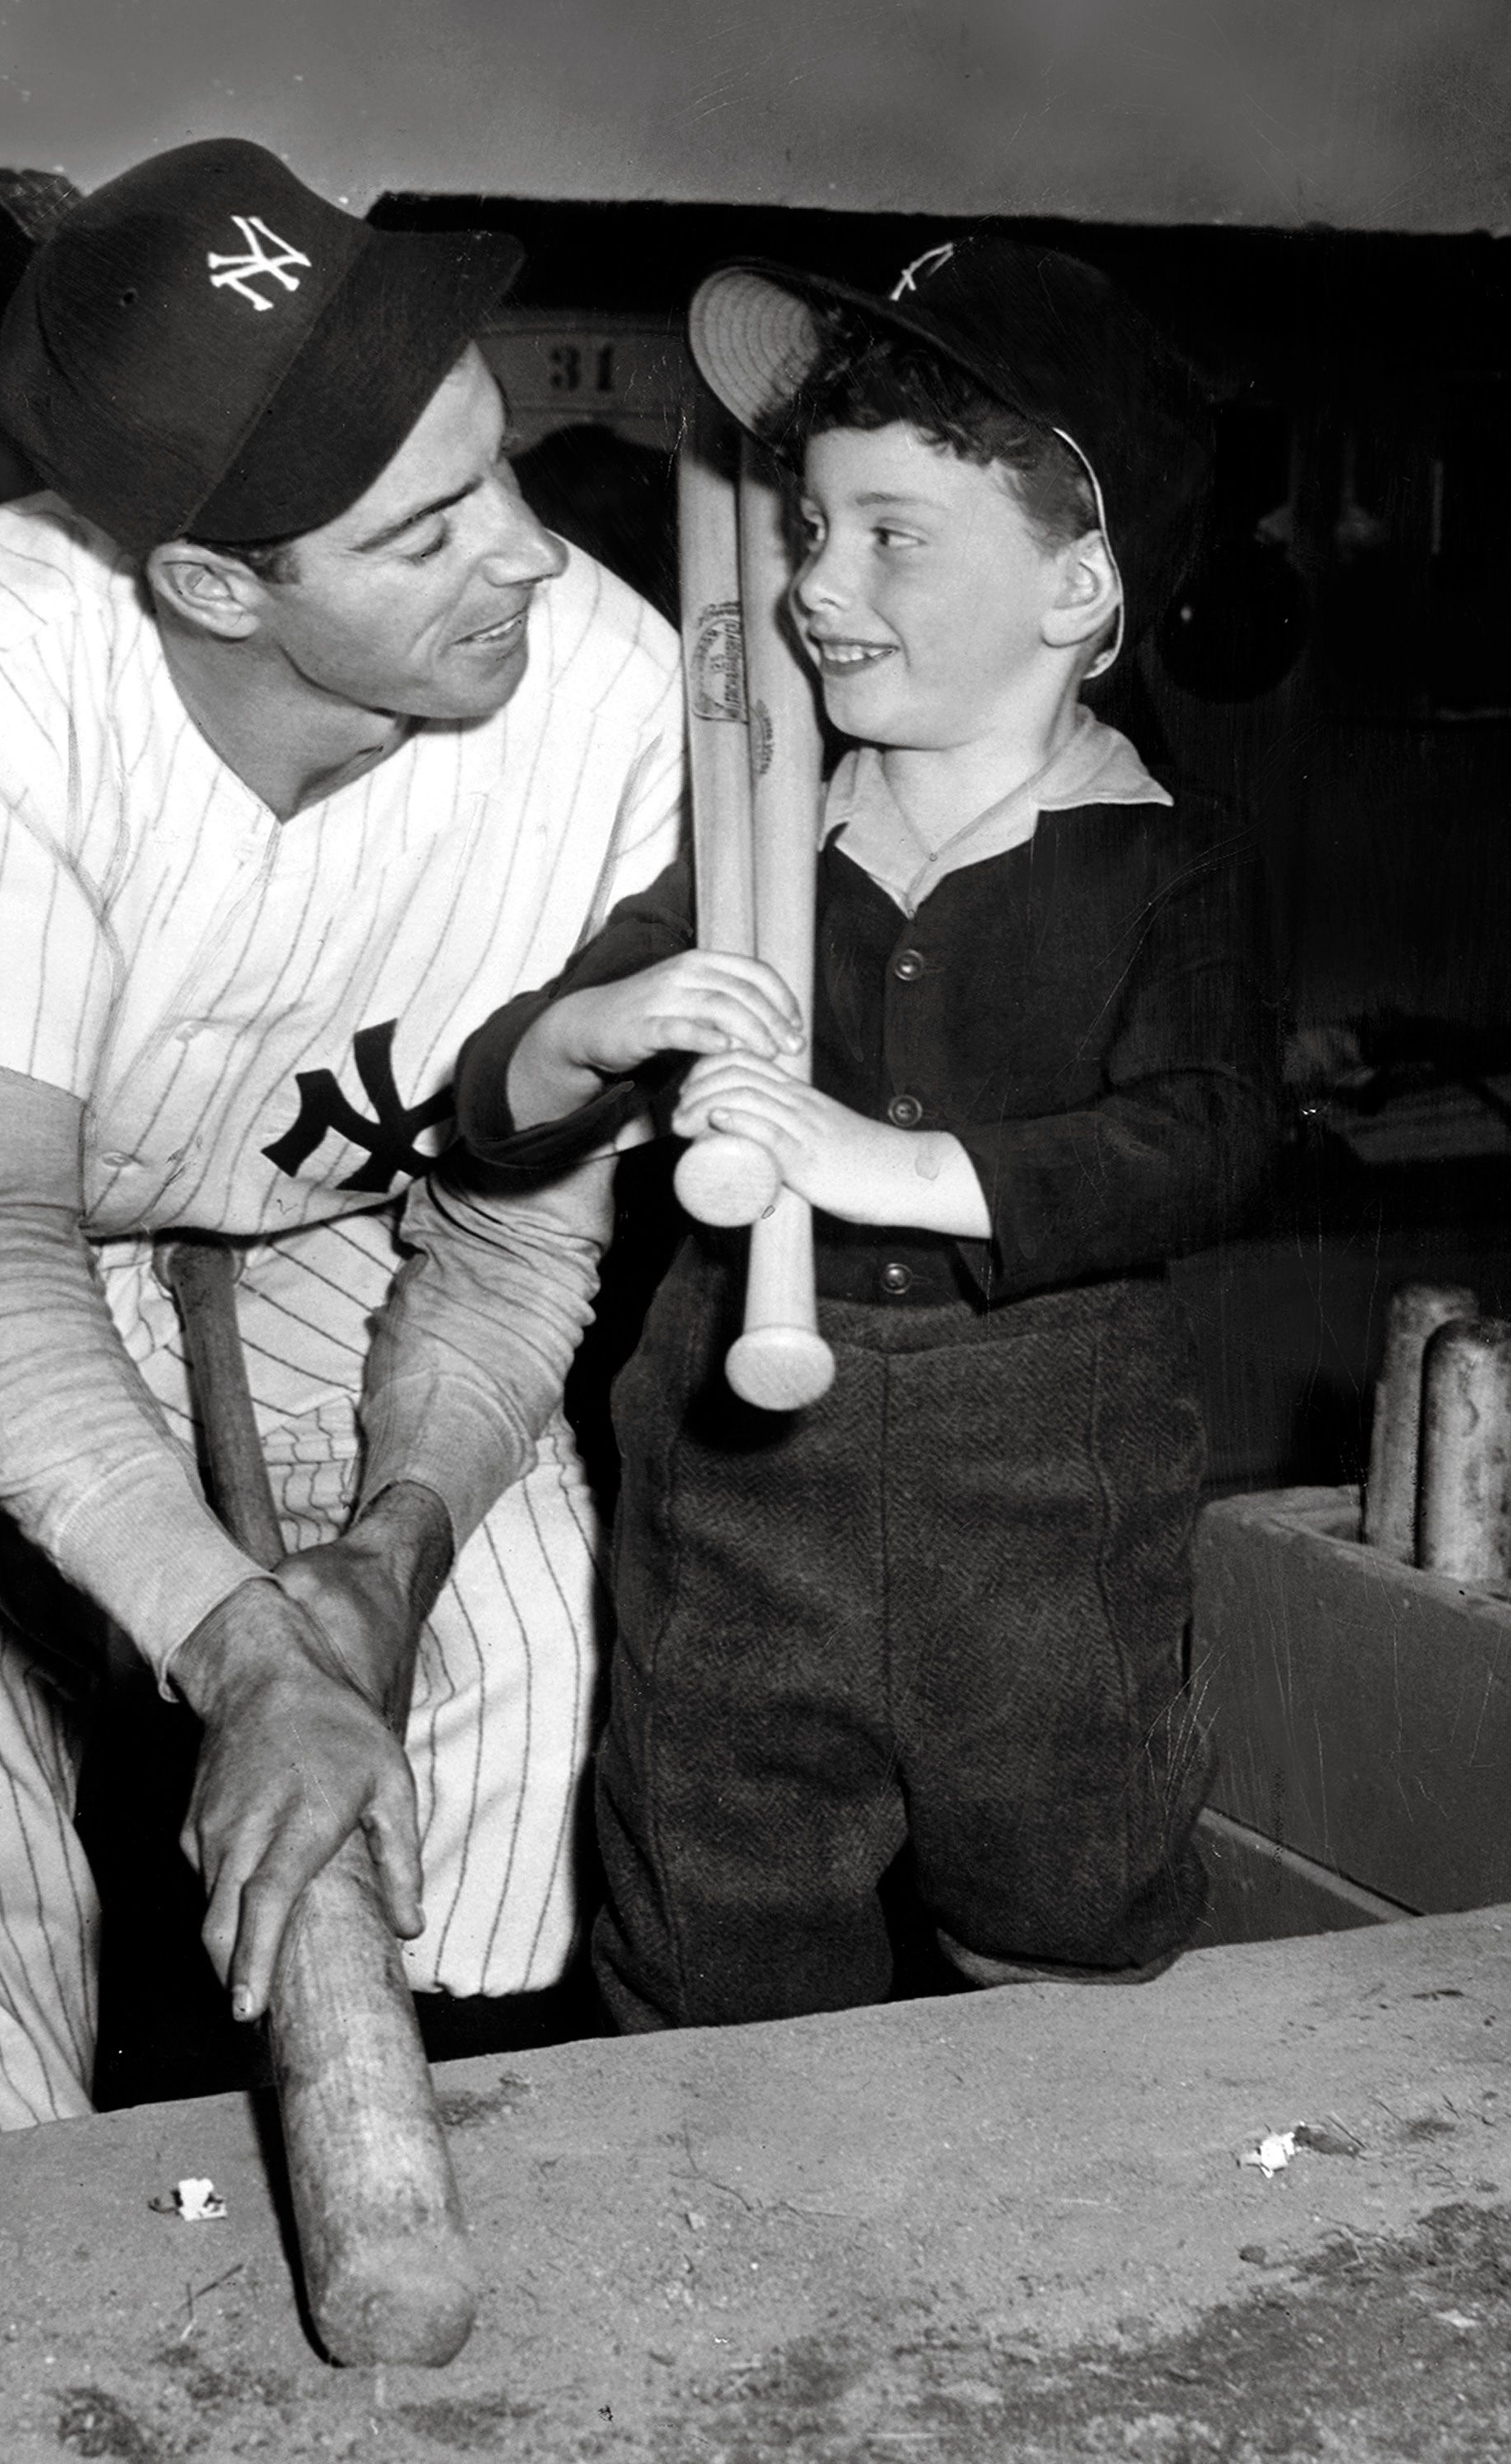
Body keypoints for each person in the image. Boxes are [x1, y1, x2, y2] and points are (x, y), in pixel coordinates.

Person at [0, 139, 682, 2140]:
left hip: (308, 1180)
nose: (529, 559)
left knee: (510, 1636)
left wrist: (384, 1560)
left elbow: (514, 1245)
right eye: (424, 535)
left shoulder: (615, 699)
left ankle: (458, 2158)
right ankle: (31, 2300)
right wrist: (234, 1647)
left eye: (502, 465)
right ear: (215, 584)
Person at [443, 237, 1279, 2031]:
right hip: (744, 1494)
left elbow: (1215, 1140)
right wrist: (604, 1027)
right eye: (810, 531)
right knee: (719, 1908)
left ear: (1076, 592)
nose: (823, 585)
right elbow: (492, 1103)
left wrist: (877, 1164)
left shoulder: (1161, 861)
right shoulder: (761, 838)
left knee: (1070, 1905)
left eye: (894, 536)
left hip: (1043, 1481)